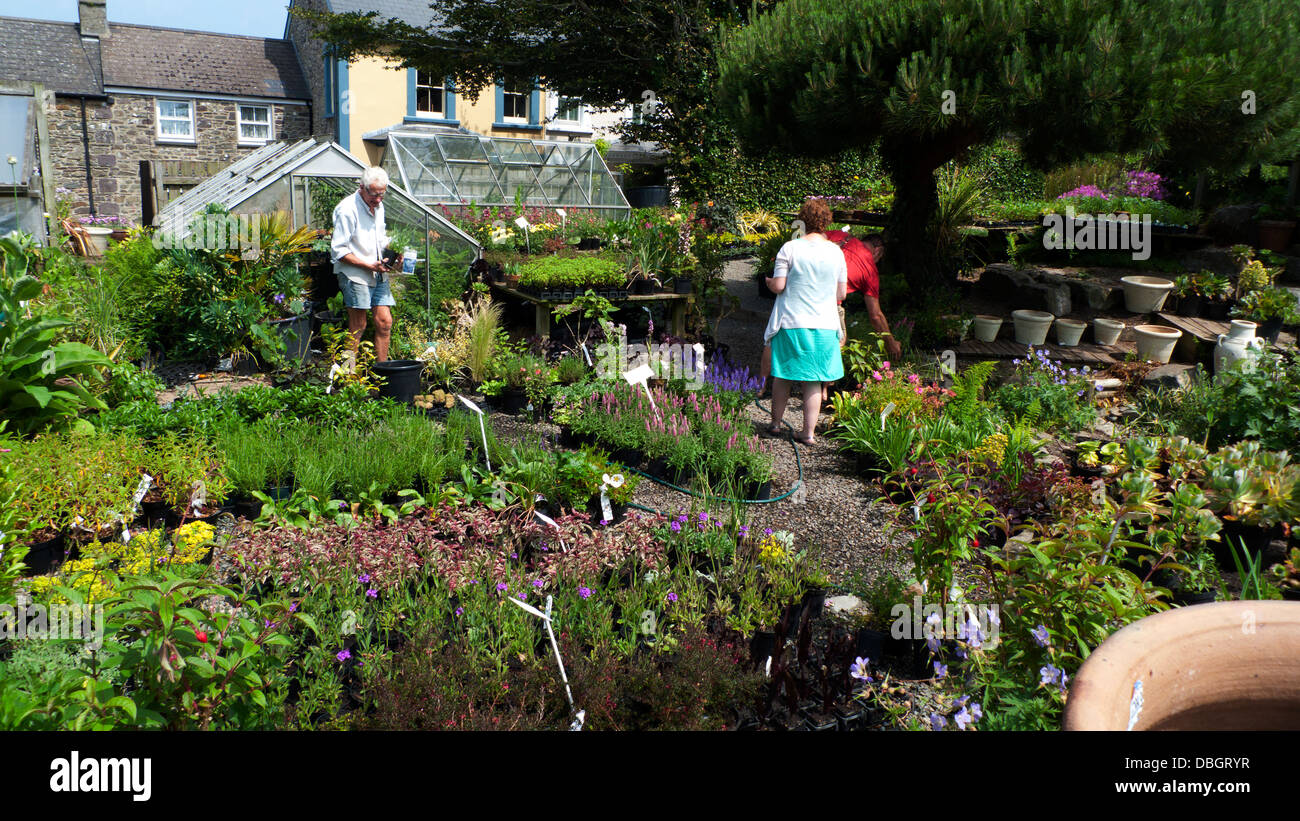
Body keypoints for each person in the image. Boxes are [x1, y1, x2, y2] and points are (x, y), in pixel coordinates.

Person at [758, 228, 899, 400]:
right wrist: (890, 342)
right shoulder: (870, 269)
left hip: (797, 295)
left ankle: (760, 386)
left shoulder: (840, 236)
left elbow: (808, 241)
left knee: (773, 337)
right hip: (828, 305)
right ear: (878, 250)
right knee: (838, 341)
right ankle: (822, 389)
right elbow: (875, 315)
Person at [762, 199, 845, 446]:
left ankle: (776, 424)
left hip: (791, 321)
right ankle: (807, 433)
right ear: (827, 221)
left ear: (803, 221)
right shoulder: (837, 252)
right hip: (825, 324)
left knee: (783, 375)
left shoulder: (790, 248)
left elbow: (779, 286)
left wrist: (768, 283)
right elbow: (841, 295)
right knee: (814, 379)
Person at [331, 166, 395, 363]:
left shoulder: (378, 206)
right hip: (355, 273)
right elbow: (339, 251)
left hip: (377, 272)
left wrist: (393, 255)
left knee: (384, 322)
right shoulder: (347, 209)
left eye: (382, 195)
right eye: (374, 195)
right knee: (358, 325)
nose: (378, 200)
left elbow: (380, 238)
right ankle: (348, 376)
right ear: (362, 188)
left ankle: (383, 373)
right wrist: (369, 265)